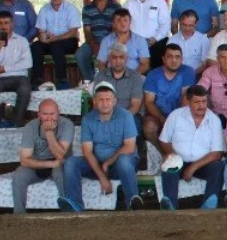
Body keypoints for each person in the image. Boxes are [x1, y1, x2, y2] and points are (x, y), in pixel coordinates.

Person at [59, 82, 142, 212]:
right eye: (101, 100)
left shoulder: (126, 116)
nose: (104, 103)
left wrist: (108, 162)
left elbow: (129, 147)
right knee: (71, 163)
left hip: (120, 165)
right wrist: (102, 177)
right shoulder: (88, 119)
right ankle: (74, 206)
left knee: (124, 160)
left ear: (114, 101)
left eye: (108, 99)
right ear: (94, 101)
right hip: (98, 165)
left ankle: (132, 203)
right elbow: (87, 151)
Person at [157, 85, 226, 211]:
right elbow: (164, 141)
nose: (201, 106)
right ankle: (170, 206)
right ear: (188, 102)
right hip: (179, 161)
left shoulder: (214, 120)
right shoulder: (175, 116)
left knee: (219, 166)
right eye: (197, 102)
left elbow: (217, 153)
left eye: (204, 101)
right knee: (169, 164)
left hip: (202, 164)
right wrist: (172, 155)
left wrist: (193, 167)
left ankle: (209, 204)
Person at [12, 99, 74, 214]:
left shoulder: (67, 124)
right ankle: (18, 215)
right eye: (45, 114)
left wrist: (49, 132)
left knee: (60, 173)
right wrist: (50, 164)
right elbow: (24, 160)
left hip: (60, 164)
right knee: (18, 176)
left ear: (58, 113)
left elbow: (60, 155)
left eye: (52, 114)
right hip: (37, 163)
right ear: (38, 114)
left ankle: (67, 212)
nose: (49, 118)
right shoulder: (30, 127)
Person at [0, 11, 33, 127]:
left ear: (12, 24)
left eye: (6, 23)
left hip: (19, 77)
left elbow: (28, 63)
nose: (3, 26)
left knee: (25, 91)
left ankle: (16, 124)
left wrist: (5, 68)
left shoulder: (22, 41)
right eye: (0, 23)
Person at [32, 0, 82, 89]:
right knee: (35, 46)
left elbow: (73, 31)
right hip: (49, 41)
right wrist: (42, 37)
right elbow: (41, 30)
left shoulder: (71, 9)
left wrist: (56, 38)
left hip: (68, 40)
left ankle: (62, 79)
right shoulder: (44, 9)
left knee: (56, 46)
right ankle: (37, 79)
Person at [142, 43, 196, 141]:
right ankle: (160, 154)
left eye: (177, 57)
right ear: (163, 59)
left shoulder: (188, 72)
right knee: (149, 127)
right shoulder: (153, 75)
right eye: (170, 56)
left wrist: (175, 121)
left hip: (181, 114)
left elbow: (186, 98)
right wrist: (163, 120)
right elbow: (149, 102)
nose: (174, 60)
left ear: (181, 59)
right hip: (158, 114)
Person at [125, 0, 171, 68]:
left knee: (156, 74)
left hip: (157, 45)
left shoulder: (159, 1)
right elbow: (124, 25)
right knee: (136, 74)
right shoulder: (128, 4)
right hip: (135, 46)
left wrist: (156, 38)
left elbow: (166, 24)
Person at [77, 0, 118, 82]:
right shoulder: (87, 8)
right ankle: (90, 81)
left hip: (111, 41)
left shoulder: (116, 6)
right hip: (93, 42)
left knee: (116, 55)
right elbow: (87, 31)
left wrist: (106, 45)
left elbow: (117, 29)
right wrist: (94, 46)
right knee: (80, 55)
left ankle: (111, 81)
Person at [94, 43, 146, 117]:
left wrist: (120, 121)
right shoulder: (101, 76)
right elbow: (96, 103)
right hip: (106, 117)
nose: (118, 61)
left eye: (121, 57)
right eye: (114, 57)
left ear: (126, 59)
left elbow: (135, 106)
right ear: (109, 59)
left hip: (129, 117)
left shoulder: (135, 77)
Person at [96, 8, 150, 76]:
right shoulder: (106, 41)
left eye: (125, 20)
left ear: (130, 22)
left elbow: (145, 64)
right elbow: (101, 64)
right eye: (118, 20)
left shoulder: (140, 40)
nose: (122, 23)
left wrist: (133, 77)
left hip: (134, 77)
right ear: (113, 24)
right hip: (112, 78)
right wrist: (108, 77)